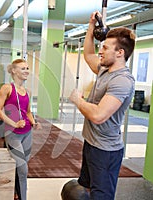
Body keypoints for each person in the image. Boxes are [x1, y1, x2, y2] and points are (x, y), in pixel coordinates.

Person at [69, 11, 136, 199]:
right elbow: (88, 53)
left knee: (102, 195)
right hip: (91, 143)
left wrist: (78, 100)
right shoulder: (104, 70)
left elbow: (99, 115)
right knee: (87, 188)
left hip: (106, 150)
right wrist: (91, 27)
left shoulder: (122, 80)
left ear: (120, 52)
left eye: (105, 48)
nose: (100, 51)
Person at [0, 58, 41, 200]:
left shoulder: (27, 91)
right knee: (23, 169)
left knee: (20, 166)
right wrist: (13, 123)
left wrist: (33, 122)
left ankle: (15, 193)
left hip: (27, 133)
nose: (27, 71)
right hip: (12, 133)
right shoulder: (7, 88)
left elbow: (27, 112)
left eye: (27, 68)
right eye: (23, 68)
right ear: (14, 71)